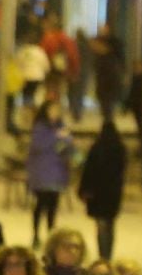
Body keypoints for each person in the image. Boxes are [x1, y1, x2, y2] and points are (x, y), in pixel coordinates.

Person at [76, 118, 126, 261]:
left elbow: (88, 171)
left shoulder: (97, 148)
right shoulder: (120, 149)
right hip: (112, 195)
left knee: (101, 226)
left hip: (98, 195)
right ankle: (108, 254)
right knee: (110, 226)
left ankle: (103, 255)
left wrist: (84, 189)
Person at [25, 101, 73, 246]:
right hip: (41, 173)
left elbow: (68, 145)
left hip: (57, 173)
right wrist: (58, 137)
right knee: (40, 205)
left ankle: (51, 235)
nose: (55, 113)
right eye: (52, 109)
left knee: (53, 206)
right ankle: (36, 235)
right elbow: (38, 145)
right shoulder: (40, 128)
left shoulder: (61, 127)